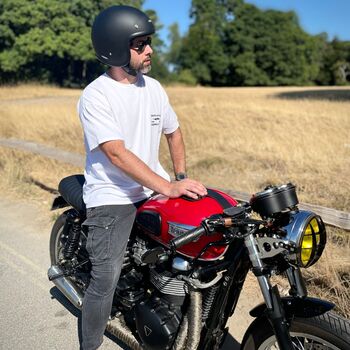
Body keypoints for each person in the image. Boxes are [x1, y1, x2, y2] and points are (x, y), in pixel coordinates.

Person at [77, 5, 207, 350]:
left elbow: (174, 132)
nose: (149, 50)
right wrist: (166, 186)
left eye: (148, 42)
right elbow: (115, 152)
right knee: (105, 280)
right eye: (140, 45)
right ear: (116, 48)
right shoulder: (96, 95)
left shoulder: (154, 88)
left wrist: (180, 179)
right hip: (112, 196)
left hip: (152, 190)